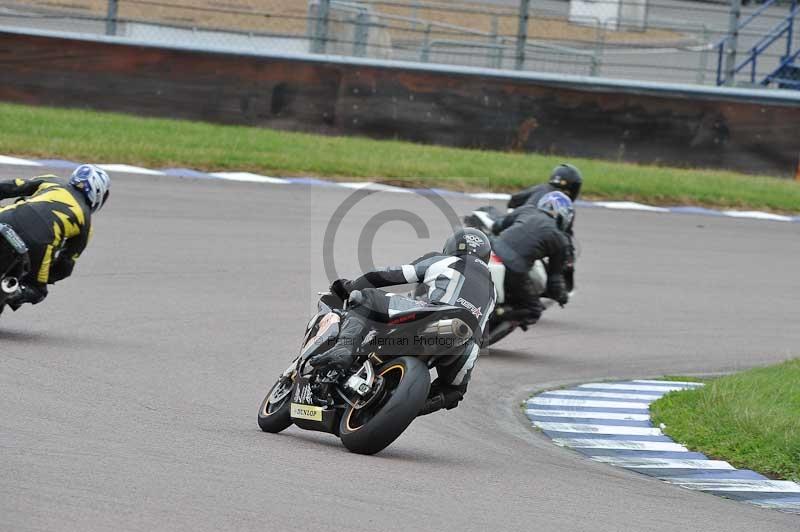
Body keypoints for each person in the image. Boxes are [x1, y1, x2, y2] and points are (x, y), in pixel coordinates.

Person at [310, 228, 496, 415]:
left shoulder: (446, 260)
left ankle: (342, 350)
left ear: (451, 247)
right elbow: (482, 329)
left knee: (366, 297)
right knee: (454, 391)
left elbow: (391, 274)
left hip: (435, 314)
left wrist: (350, 287)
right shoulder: (493, 291)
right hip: (467, 342)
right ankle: (404, 408)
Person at [0, 164, 110, 310]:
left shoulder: (51, 180)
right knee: (37, 290)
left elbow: (13, 186)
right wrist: (43, 277)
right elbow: (66, 263)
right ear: (99, 192)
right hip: (38, 245)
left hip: (6, 218)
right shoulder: (86, 223)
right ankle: (11, 290)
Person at [490, 191, 573, 325]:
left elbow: (498, 225)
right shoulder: (560, 240)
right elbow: (554, 279)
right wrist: (561, 296)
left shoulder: (526, 210)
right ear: (565, 215)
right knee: (533, 309)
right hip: (513, 268)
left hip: (490, 249)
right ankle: (495, 315)